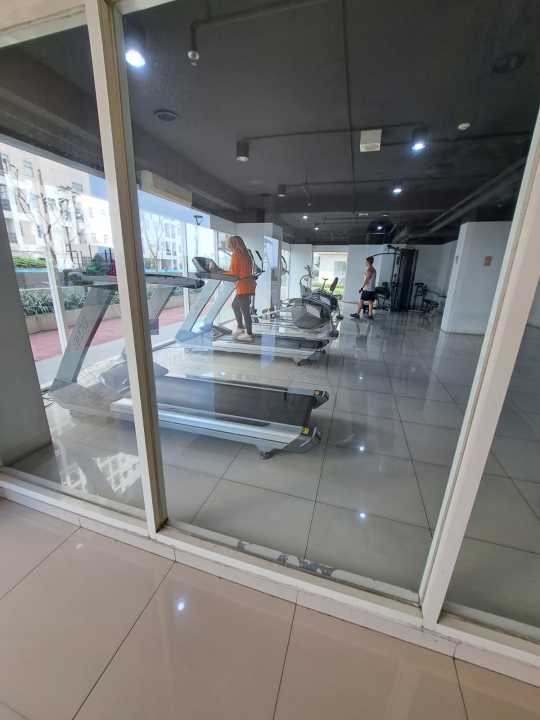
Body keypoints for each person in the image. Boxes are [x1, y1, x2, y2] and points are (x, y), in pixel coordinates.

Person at [225, 235, 257, 342]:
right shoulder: (245, 253)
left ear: (233, 244)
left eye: (229, 244)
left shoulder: (236, 254)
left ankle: (249, 334)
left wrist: (220, 272)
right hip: (247, 284)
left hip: (243, 286)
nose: (228, 246)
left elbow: (233, 273)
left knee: (245, 311)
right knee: (235, 305)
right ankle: (240, 327)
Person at [350, 256, 377, 320]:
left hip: (367, 289)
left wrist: (362, 287)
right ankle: (370, 315)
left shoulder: (370, 269)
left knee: (361, 300)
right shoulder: (373, 269)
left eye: (366, 261)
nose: (365, 262)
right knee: (370, 302)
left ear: (368, 262)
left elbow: (367, 279)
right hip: (372, 289)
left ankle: (357, 314)